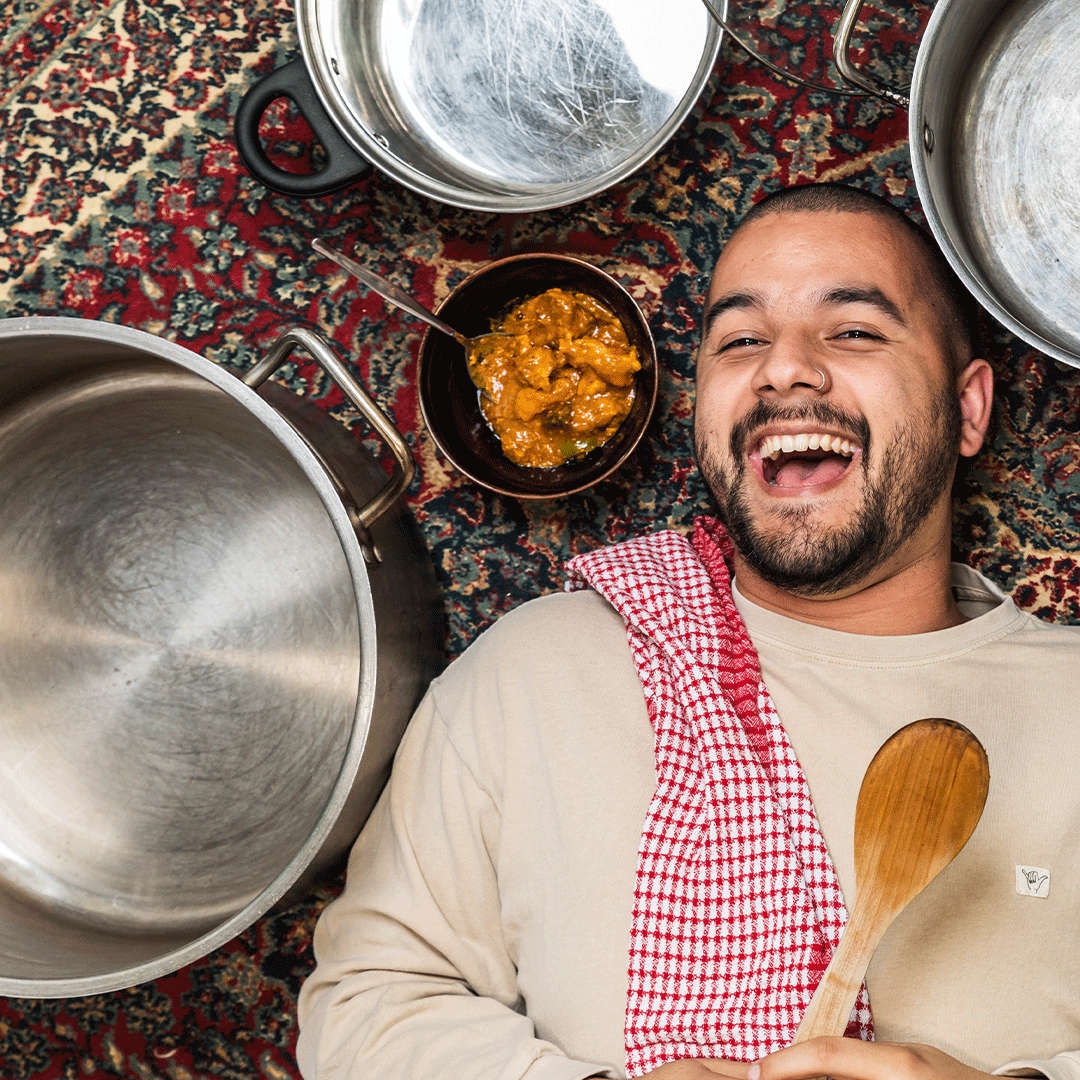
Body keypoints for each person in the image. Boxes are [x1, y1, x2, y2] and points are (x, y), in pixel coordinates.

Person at [295, 183, 1080, 1080]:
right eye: (740, 340)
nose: (783, 370)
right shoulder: (536, 668)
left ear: (969, 408)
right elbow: (363, 1010)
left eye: (854, 330)